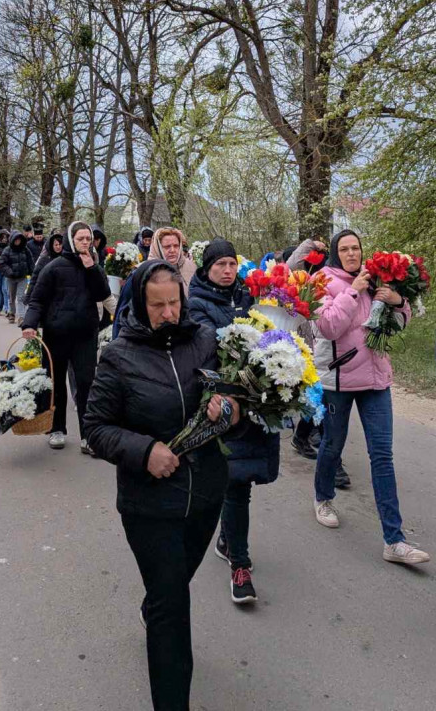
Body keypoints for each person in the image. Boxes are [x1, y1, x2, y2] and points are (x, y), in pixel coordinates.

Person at [84, 260, 241, 711]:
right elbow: (95, 428)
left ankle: (153, 606)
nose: (169, 312)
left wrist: (228, 407)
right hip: (149, 505)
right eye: (158, 305)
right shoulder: (119, 356)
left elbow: (235, 402)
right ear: (139, 303)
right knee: (174, 610)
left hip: (206, 495)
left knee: (166, 593)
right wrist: (144, 450)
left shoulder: (206, 341)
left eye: (175, 302)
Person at [311, 230, 430, 567]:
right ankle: (323, 497)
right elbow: (328, 328)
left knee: (382, 456)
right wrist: (353, 291)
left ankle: (394, 540)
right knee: (333, 445)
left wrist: (397, 303)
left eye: (356, 249)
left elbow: (397, 324)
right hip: (338, 379)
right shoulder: (323, 281)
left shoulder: (378, 277)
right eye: (345, 249)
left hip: (376, 379)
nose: (352, 254)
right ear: (335, 253)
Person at [185, 237, 271, 605]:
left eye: (231, 264)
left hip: (254, 400)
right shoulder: (197, 303)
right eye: (219, 264)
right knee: (235, 483)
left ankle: (227, 539)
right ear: (206, 268)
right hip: (221, 402)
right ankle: (241, 565)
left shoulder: (248, 295)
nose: (226, 270)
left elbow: (269, 329)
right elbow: (210, 347)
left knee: (242, 481)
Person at [22, 221, 111, 453]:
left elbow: (103, 293)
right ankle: (56, 429)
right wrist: (30, 323)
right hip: (56, 335)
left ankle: (88, 435)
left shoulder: (94, 267)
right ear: (71, 240)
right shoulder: (53, 267)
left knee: (86, 384)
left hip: (85, 336)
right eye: (80, 239)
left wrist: (91, 267)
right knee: (56, 383)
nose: (85, 243)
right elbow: (37, 299)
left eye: (88, 239)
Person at [286, 239, 350, 491]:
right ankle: (335, 465)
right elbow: (291, 267)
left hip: (325, 349)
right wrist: (310, 244)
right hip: (303, 343)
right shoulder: (296, 282)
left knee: (318, 399)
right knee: (319, 401)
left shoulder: (333, 279)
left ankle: (301, 437)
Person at [112, 227, 195, 339]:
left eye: (176, 246)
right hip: (147, 339)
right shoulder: (140, 273)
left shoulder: (191, 268)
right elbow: (122, 313)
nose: (172, 250)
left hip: (183, 338)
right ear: (158, 248)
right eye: (167, 247)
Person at [0, 230, 33, 324]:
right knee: (11, 297)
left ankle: (21, 317)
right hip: (11, 278)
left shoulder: (25, 249)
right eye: (16, 240)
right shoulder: (7, 250)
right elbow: (2, 263)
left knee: (21, 297)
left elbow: (31, 262)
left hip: (22, 277)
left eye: (19, 240)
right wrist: (9, 272)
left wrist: (32, 273)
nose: (18, 241)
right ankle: (12, 313)